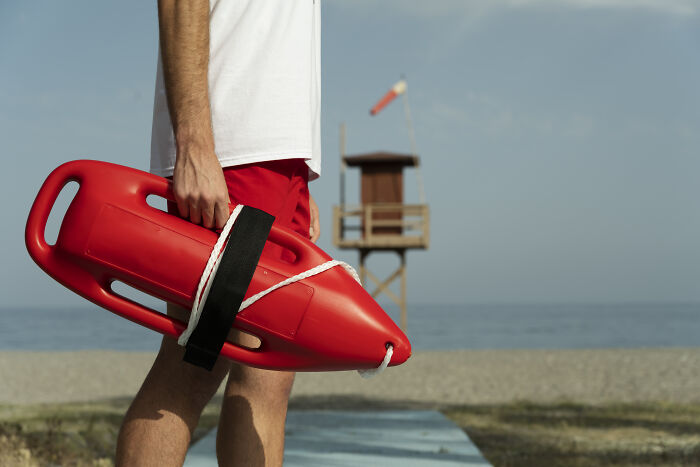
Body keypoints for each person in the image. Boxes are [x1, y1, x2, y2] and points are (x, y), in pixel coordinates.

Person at [115, 0, 322, 465]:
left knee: (269, 375)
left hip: (280, 160)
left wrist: (299, 174)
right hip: (233, 151)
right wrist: (193, 143)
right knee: (191, 366)